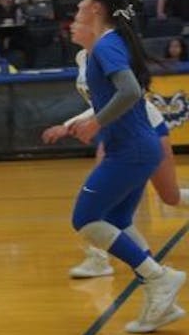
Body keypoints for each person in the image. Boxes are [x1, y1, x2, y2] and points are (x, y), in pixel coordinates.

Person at [64, 0, 185, 333]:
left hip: (130, 149)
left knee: (85, 218)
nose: (79, 8)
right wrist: (84, 122)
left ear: (97, 8)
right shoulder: (108, 45)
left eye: (83, 1)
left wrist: (96, 123)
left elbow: (130, 91)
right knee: (117, 221)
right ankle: (161, 300)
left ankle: (159, 278)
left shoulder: (106, 46)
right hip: (137, 147)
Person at [43, 40, 189, 280]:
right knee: (103, 207)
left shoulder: (110, 50)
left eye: (82, 10)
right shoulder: (83, 56)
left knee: (169, 196)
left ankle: (152, 273)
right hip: (115, 132)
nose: (74, 20)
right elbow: (99, 102)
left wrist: (67, 125)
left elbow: (124, 96)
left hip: (145, 128)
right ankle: (108, 261)